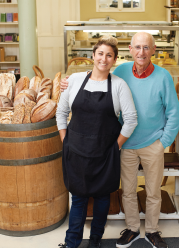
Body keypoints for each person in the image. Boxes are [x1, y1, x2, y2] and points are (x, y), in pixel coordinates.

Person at [62, 32, 179, 248]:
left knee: (153, 192)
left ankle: (153, 231)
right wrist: (68, 83)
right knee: (127, 190)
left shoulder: (163, 76)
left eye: (146, 47)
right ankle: (133, 228)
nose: (141, 52)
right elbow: (98, 79)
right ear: (130, 51)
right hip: (124, 144)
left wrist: (163, 143)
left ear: (153, 50)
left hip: (152, 143)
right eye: (137, 47)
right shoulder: (122, 71)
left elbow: (174, 113)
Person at [56, 36, 137, 248]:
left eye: (109, 55)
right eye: (100, 53)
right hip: (76, 151)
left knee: (102, 198)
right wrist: (66, 141)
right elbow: (61, 112)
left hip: (105, 154)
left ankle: (95, 240)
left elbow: (131, 120)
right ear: (93, 56)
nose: (104, 58)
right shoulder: (74, 80)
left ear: (115, 60)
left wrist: (116, 146)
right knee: (79, 198)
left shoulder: (119, 86)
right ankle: (71, 242)